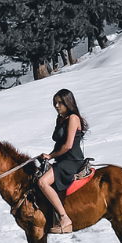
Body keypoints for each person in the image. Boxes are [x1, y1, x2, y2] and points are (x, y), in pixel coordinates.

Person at [38, 89, 88, 234]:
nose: (57, 106)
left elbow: (68, 145)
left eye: (60, 102)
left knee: (42, 182)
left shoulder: (73, 118)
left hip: (72, 160)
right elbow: (59, 143)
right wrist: (49, 155)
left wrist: (51, 155)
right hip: (61, 159)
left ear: (68, 102)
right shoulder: (60, 119)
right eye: (55, 103)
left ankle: (64, 218)